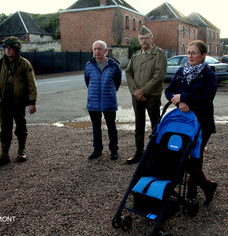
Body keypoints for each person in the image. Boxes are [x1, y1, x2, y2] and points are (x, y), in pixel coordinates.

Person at [165, 40, 217, 206]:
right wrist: (178, 102)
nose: (190, 56)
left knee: (195, 157)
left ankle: (192, 194)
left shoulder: (209, 75)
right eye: (189, 52)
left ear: (203, 55)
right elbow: (168, 91)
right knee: (179, 154)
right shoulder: (181, 71)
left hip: (202, 122)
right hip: (183, 122)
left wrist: (184, 97)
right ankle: (207, 185)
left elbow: (206, 98)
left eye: (194, 53)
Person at [0, 36, 37, 168]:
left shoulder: (24, 64)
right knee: (5, 128)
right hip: (4, 101)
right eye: (6, 48)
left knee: (21, 127)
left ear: (16, 49)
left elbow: (31, 84)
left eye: (10, 48)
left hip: (19, 101)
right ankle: (4, 155)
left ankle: (21, 151)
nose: (7, 50)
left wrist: (32, 102)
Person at [125, 26, 167, 164]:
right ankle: (139, 153)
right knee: (139, 126)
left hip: (152, 95)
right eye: (141, 39)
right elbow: (128, 73)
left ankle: (157, 154)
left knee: (156, 125)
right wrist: (135, 92)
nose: (143, 41)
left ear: (151, 38)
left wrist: (142, 91)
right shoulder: (136, 56)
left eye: (146, 38)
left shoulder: (159, 54)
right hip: (137, 96)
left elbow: (159, 76)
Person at [84, 40, 122, 160]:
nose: (97, 51)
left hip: (109, 101)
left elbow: (117, 82)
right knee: (96, 128)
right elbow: (87, 81)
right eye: (95, 49)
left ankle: (114, 150)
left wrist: (109, 92)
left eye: (100, 49)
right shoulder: (89, 65)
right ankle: (97, 150)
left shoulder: (114, 65)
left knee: (111, 127)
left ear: (105, 51)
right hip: (93, 102)